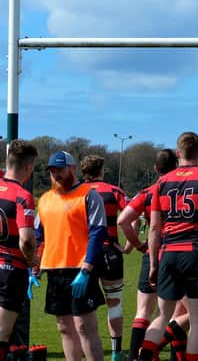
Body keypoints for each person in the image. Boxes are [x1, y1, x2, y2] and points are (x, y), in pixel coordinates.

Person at [137, 132, 198, 361]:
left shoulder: (162, 182)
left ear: (178, 153)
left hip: (168, 254)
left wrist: (153, 263)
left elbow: (153, 228)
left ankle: (143, 357)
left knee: (162, 315)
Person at [33, 151, 107, 361]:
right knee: (64, 327)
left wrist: (87, 269)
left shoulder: (88, 195)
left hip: (81, 269)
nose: (56, 174)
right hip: (55, 271)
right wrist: (35, 268)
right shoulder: (46, 200)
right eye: (52, 170)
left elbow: (98, 231)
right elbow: (39, 237)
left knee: (84, 326)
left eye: (60, 169)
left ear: (73, 169)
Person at [117, 149, 189, 361]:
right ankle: (159, 352)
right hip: (177, 251)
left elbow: (123, 221)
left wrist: (138, 244)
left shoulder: (147, 192)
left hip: (152, 253)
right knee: (179, 311)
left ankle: (134, 356)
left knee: (143, 310)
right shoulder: (183, 189)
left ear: (155, 169)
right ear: (176, 165)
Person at [79, 154, 128, 361]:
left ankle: (84, 350)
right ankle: (116, 354)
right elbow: (131, 217)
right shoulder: (114, 191)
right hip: (110, 251)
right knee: (114, 303)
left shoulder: (75, 193)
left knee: (82, 307)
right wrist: (128, 245)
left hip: (83, 255)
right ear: (102, 170)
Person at [0, 140, 38, 360]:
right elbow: (26, 240)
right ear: (29, 167)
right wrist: (31, 259)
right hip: (10, 270)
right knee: (3, 334)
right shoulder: (23, 196)